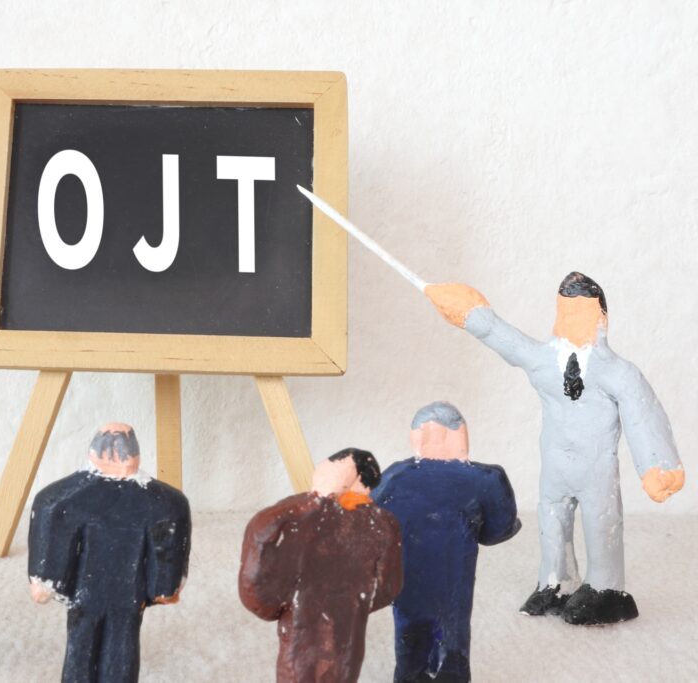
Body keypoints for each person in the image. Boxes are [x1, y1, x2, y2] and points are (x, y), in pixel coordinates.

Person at [425, 271, 684, 624]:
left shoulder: (618, 372)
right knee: (551, 516)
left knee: (600, 520)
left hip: (596, 466)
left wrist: (658, 466)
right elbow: (503, 338)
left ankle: (605, 588)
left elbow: (644, 415)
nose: (570, 321)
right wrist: (470, 313)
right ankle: (555, 580)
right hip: (555, 464)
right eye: (565, 312)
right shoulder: (543, 359)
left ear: (602, 318)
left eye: (580, 313)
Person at [28, 423, 191, 683]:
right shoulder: (163, 500)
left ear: (93, 452)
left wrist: (44, 580)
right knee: (114, 640)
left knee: (96, 640)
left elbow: (50, 511)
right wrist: (165, 586)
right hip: (119, 591)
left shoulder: (67, 495)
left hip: (94, 591)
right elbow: (169, 534)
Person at [373, 402, 520, 682]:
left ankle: (410, 675)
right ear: (457, 436)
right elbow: (498, 531)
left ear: (418, 439)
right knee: (452, 629)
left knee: (410, 626)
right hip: (454, 578)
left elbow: (369, 523)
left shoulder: (393, 476)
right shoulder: (486, 479)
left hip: (407, 575)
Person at [239, 448, 403, 682]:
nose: (320, 479)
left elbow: (388, 585)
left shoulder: (377, 524)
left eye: (331, 473)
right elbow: (257, 583)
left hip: (321, 627)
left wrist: (351, 601)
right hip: (315, 628)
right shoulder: (298, 514)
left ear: (358, 481)